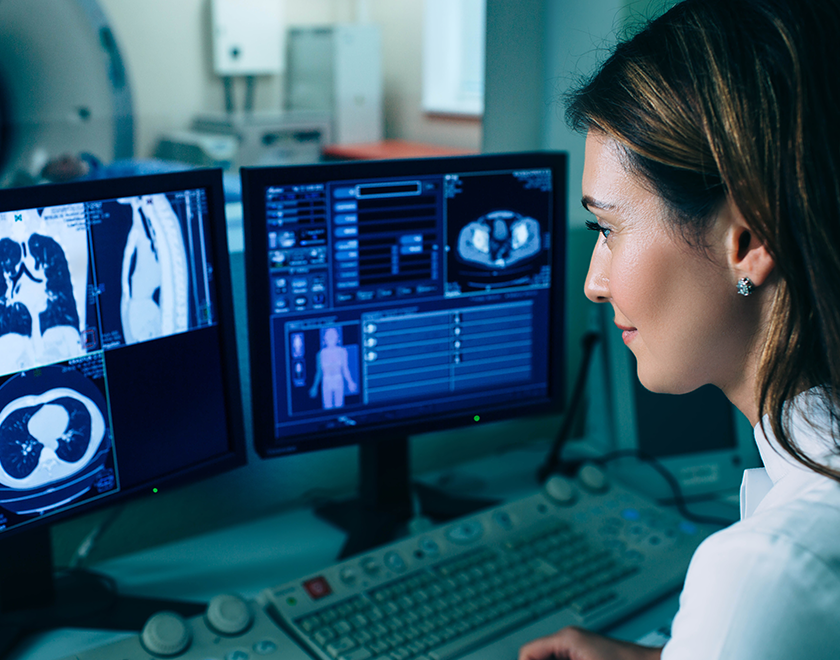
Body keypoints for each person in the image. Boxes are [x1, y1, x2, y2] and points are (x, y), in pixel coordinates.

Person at [519, 0, 840, 658]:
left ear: (746, 238)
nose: (593, 282)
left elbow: (778, 588)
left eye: (607, 229)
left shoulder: (765, 574)